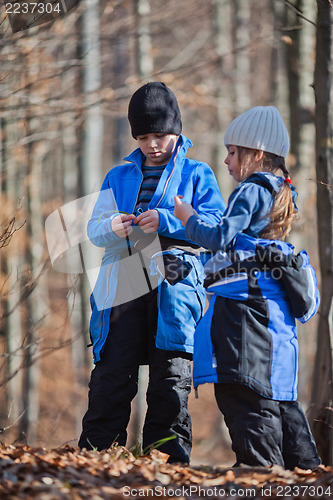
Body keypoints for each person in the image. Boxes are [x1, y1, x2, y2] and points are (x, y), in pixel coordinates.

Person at [78, 82, 226, 463]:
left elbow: (215, 227)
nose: (152, 144)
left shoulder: (197, 172)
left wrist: (165, 219)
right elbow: (93, 228)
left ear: (176, 130)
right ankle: (95, 462)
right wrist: (111, 225)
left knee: (170, 380)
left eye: (159, 135)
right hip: (122, 286)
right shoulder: (118, 175)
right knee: (111, 376)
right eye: (143, 136)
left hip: (173, 285)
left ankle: (169, 466)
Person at [174, 105, 321, 469]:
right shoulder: (283, 190)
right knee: (279, 405)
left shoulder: (252, 189)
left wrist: (187, 217)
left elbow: (221, 237)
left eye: (232, 151)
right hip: (274, 322)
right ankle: (309, 479)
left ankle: (261, 478)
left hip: (245, 321)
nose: (226, 160)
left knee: (245, 396)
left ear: (255, 153)